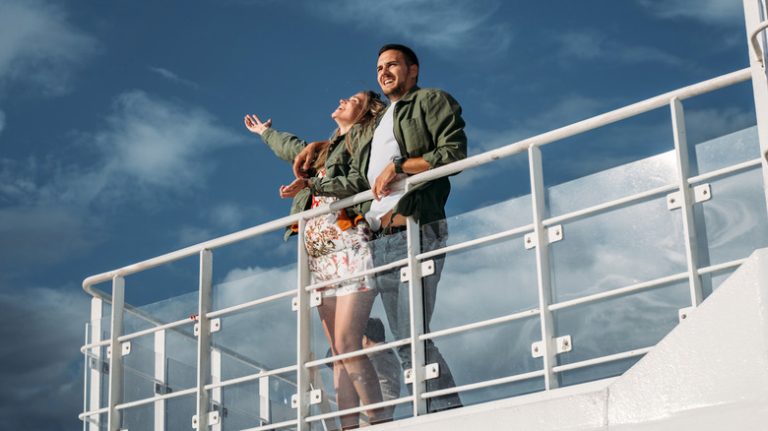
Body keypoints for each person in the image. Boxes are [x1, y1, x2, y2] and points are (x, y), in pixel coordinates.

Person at [294, 43, 467, 412]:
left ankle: (446, 414)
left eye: (392, 65)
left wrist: (401, 166)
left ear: (414, 70)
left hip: (413, 229)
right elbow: (352, 149)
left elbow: (454, 154)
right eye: (379, 68)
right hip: (375, 239)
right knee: (351, 342)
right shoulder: (381, 121)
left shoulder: (430, 101)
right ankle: (374, 417)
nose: (384, 72)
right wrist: (321, 146)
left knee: (408, 336)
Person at [244, 90, 389, 429]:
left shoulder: (364, 141)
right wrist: (265, 133)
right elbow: (293, 147)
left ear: (366, 113)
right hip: (319, 254)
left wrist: (314, 182)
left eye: (353, 99)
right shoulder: (323, 149)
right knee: (337, 352)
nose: (342, 99)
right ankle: (349, 426)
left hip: (348, 243)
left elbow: (360, 180)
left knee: (348, 342)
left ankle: (381, 423)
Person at [363, 317, 402, 420]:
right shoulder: (388, 354)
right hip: (384, 415)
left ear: (365, 339)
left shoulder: (374, 355)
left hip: (370, 417)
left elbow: (331, 359)